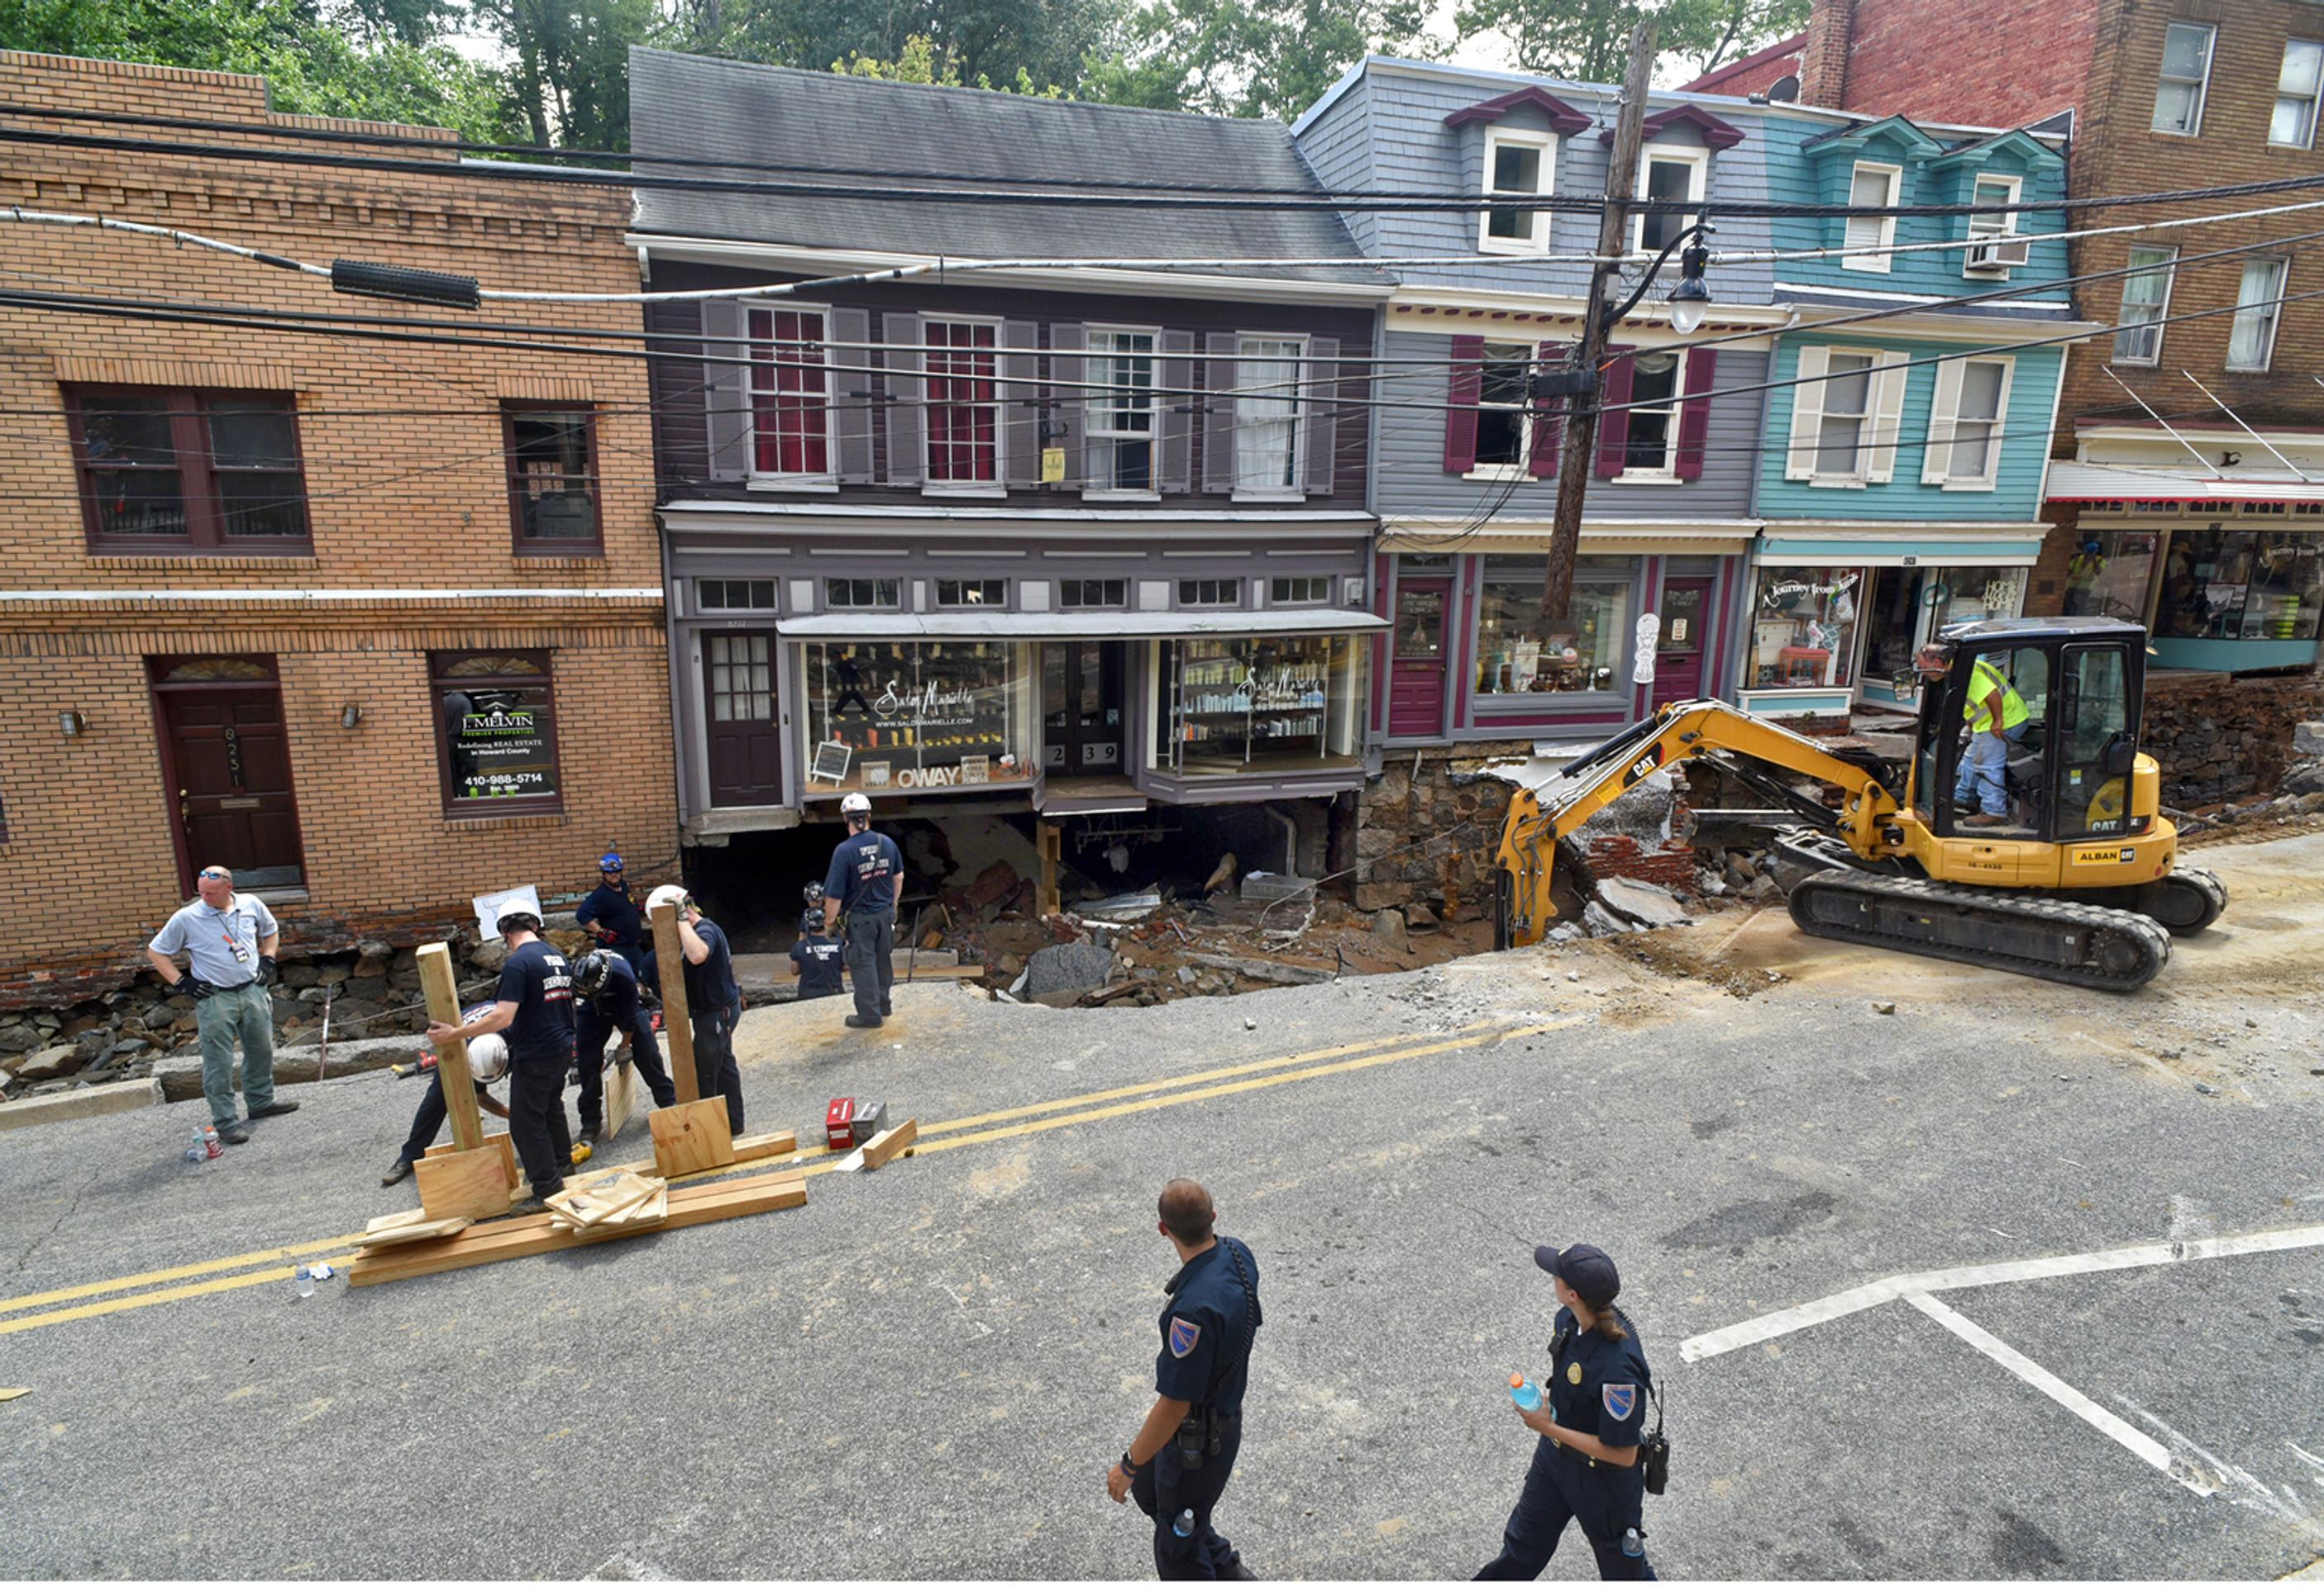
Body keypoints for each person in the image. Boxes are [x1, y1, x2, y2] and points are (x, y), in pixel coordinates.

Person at [1106, 1178, 1263, 1581]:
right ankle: (1227, 1567)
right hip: (1224, 1420)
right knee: (1154, 1496)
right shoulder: (1237, 1254)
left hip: (1198, 1445)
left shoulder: (1190, 1315)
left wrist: (1128, 1465)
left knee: (1178, 1554)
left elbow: (1174, 1405)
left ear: (1163, 1229)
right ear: (1213, 1217)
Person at [1476, 1244, 1658, 1582]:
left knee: (1624, 1572)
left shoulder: (1618, 1370)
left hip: (1601, 1481)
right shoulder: (1567, 1321)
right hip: (1554, 1462)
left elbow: (1623, 1454)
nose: (1552, 1279)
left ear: (1572, 1293)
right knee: (1521, 1548)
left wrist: (1548, 1427)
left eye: (1556, 1276)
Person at [425, 902, 576, 1208]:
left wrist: (454, 1034)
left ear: (505, 932)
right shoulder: (556, 957)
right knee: (550, 1107)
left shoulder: (519, 964)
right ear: (535, 925)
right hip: (561, 1046)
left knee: (524, 1123)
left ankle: (547, 1187)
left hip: (536, 1052)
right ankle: (563, 1163)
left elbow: (503, 1017)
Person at [146, 864, 296, 1145]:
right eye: (201, 892)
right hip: (215, 997)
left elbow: (271, 930)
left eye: (211, 893)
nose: (205, 898)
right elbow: (156, 951)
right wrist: (182, 982)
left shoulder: (251, 904)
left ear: (229, 887)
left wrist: (269, 958)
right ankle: (226, 1121)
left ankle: (261, 1101)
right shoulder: (186, 918)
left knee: (261, 1048)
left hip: (252, 990)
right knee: (219, 1061)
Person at [648, 883, 745, 1132]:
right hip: (715, 1012)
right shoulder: (699, 930)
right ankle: (733, 1125)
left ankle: (709, 1132)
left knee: (705, 1073)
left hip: (716, 1014)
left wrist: (681, 918)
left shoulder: (705, 931)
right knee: (723, 1067)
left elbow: (698, 955)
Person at [379, 1005, 513, 1185]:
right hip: (456, 1046)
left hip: (495, 1042)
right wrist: (511, 1115)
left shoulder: (512, 1034)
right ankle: (409, 1156)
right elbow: (480, 1097)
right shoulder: (462, 1055)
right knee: (435, 1101)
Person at [571, 949, 677, 1146]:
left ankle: (668, 1101)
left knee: (648, 1053)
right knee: (587, 1063)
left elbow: (630, 1019)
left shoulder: (623, 977)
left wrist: (624, 1046)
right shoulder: (578, 974)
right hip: (590, 1010)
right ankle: (591, 1122)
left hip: (622, 1005)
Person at [1921, 642, 2030, 828]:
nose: (1923, 673)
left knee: (1987, 764)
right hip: (1986, 722)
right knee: (1970, 758)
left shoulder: (1967, 672)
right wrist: (1971, 721)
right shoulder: (1962, 665)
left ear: (1938, 661)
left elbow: (1992, 695)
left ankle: (1994, 811)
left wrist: (1998, 721)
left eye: (1924, 668)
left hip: (2007, 720)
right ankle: (1964, 797)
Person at [823, 791, 904, 1030]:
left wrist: (830, 924)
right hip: (884, 915)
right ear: (869, 815)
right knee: (882, 960)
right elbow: (898, 877)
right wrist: (894, 905)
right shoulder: (886, 843)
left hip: (861, 920)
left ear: (845, 819)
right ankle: (884, 1004)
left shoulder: (844, 851)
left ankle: (870, 1016)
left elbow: (834, 896)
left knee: (863, 964)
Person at [575, 851, 646, 975]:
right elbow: (582, 914)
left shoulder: (623, 886)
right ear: (604, 874)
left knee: (643, 975)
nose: (614, 875)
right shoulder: (601, 895)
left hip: (634, 946)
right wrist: (601, 931)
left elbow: (629, 903)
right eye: (610, 872)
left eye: (617, 871)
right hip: (617, 949)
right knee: (625, 980)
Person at [790, 909, 847, 1001]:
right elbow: (846, 966)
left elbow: (794, 971)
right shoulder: (839, 944)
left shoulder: (799, 946)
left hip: (807, 993)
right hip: (834, 992)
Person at [2063, 539, 2107, 617]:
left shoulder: (2100, 560)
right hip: (2073, 586)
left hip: (2087, 588)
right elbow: (2069, 572)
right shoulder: (2078, 559)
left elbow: (2098, 572)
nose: (2087, 555)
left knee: (2081, 607)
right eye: (2086, 553)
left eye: (2090, 553)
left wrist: (2094, 561)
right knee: (2069, 606)